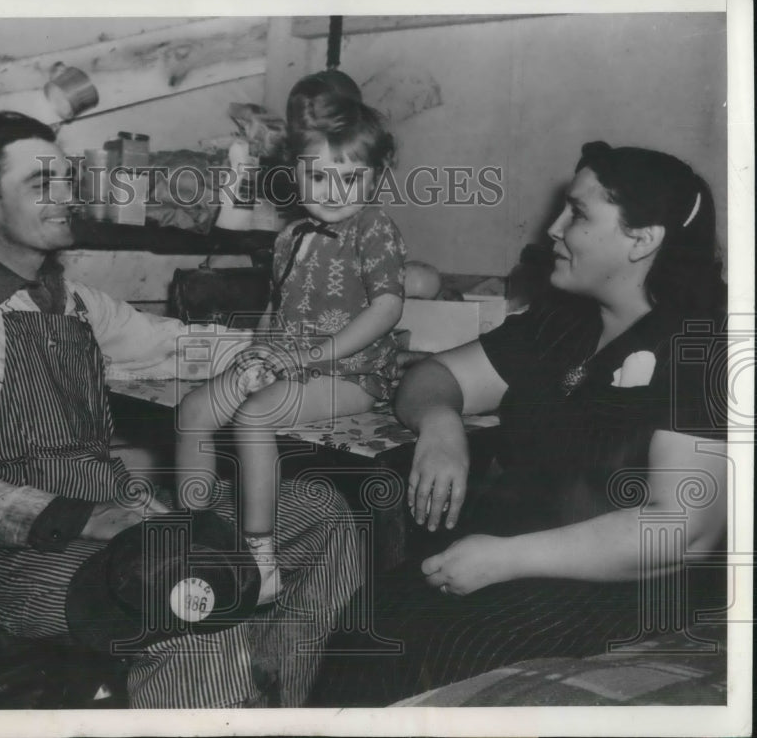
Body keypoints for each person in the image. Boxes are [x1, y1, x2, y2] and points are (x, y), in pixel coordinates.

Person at [0, 111, 363, 708]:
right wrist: (84, 517)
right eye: (40, 184)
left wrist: (302, 350)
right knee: (184, 590)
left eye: (66, 178)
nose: (67, 195)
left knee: (321, 514)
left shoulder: (68, 301)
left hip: (107, 522)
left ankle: (267, 702)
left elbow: (173, 344)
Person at [309, 141, 729, 705]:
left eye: (577, 214)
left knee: (445, 650)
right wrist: (440, 426)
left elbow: (685, 531)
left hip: (631, 593)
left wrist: (505, 558)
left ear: (643, 239)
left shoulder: (708, 343)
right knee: (375, 618)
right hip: (508, 563)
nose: (553, 229)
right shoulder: (564, 322)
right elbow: (435, 375)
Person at [176, 94, 407, 604]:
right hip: (286, 361)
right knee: (194, 409)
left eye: (350, 177)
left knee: (254, 418)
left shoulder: (373, 228)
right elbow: (277, 308)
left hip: (351, 373)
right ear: (293, 175)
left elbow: (387, 308)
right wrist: (259, 351)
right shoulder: (291, 235)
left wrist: (305, 358)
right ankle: (198, 532)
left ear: (378, 176)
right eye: (317, 177)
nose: (333, 191)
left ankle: (262, 559)